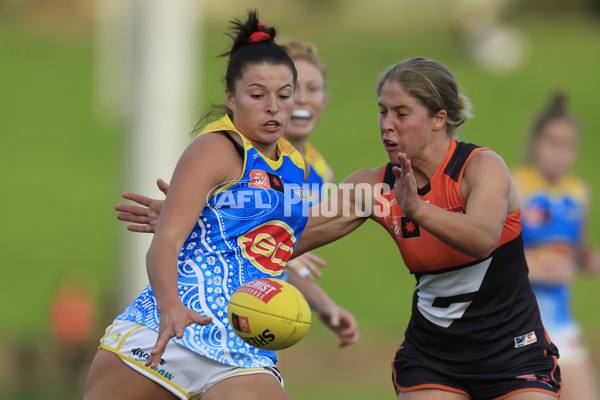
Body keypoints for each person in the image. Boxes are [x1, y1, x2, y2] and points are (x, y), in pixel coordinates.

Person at [113, 56, 564, 399]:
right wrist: (201, 223)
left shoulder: (481, 167)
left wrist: (419, 211)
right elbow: (280, 241)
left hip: (515, 348)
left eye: (401, 113)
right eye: (382, 112)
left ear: (439, 117)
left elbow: (483, 236)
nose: (387, 125)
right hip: (435, 357)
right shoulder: (374, 187)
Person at [85, 10, 333, 400]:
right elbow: (166, 241)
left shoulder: (297, 168)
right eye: (257, 95)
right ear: (231, 98)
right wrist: (170, 307)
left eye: (284, 95)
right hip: (165, 332)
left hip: (241, 347)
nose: (274, 107)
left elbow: (270, 242)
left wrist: (387, 199)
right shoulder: (216, 148)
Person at [115, 39, 360, 349]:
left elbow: (270, 250)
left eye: (308, 91)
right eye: (259, 94)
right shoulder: (223, 149)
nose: (282, 103)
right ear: (233, 97)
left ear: (324, 100)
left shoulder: (312, 173)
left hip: (252, 325)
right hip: (191, 322)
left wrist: (323, 304)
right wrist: (196, 214)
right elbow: (247, 239)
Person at [512, 90, 599, 400]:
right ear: (535, 143)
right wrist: (536, 267)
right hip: (520, 325)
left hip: (562, 320)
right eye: (552, 143)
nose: (560, 153)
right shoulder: (515, 187)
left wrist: (588, 260)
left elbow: (577, 252)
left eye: (568, 145)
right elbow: (492, 256)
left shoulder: (579, 193)